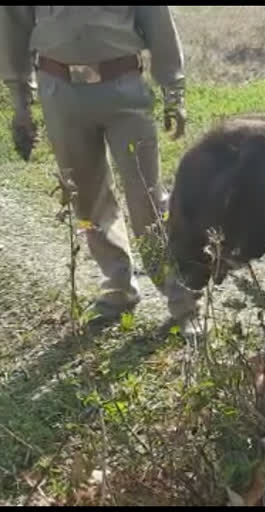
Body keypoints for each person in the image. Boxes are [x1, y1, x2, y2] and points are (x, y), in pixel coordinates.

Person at [0, 6, 202, 337]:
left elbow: (158, 23)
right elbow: (13, 29)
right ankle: (117, 286)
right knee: (85, 200)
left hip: (124, 88)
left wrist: (174, 93)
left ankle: (181, 301)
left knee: (147, 199)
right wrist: (20, 101)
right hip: (59, 91)